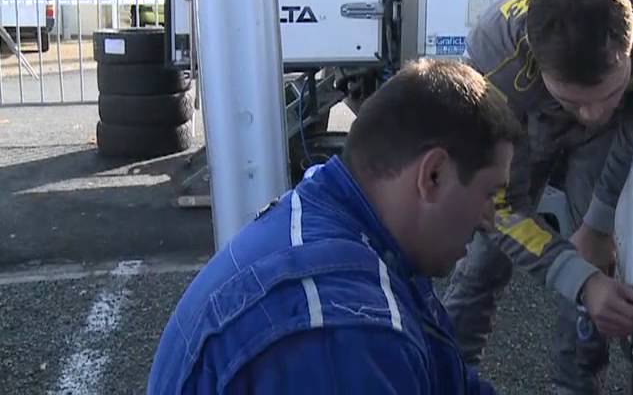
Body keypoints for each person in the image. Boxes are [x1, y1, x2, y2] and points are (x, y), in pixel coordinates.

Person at [148, 58, 521, 394]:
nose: (489, 219)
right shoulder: (339, 332)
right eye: (489, 192)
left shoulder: (352, 225)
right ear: (433, 175)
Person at [442, 0, 633, 394]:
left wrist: (600, 221)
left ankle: (576, 387)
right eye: (575, 101)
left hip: (617, 126)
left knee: (597, 252)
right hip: (527, 121)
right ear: (536, 61)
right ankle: (444, 375)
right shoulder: (493, 71)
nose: (591, 114)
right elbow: (501, 211)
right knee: (484, 262)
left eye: (606, 93)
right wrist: (580, 282)